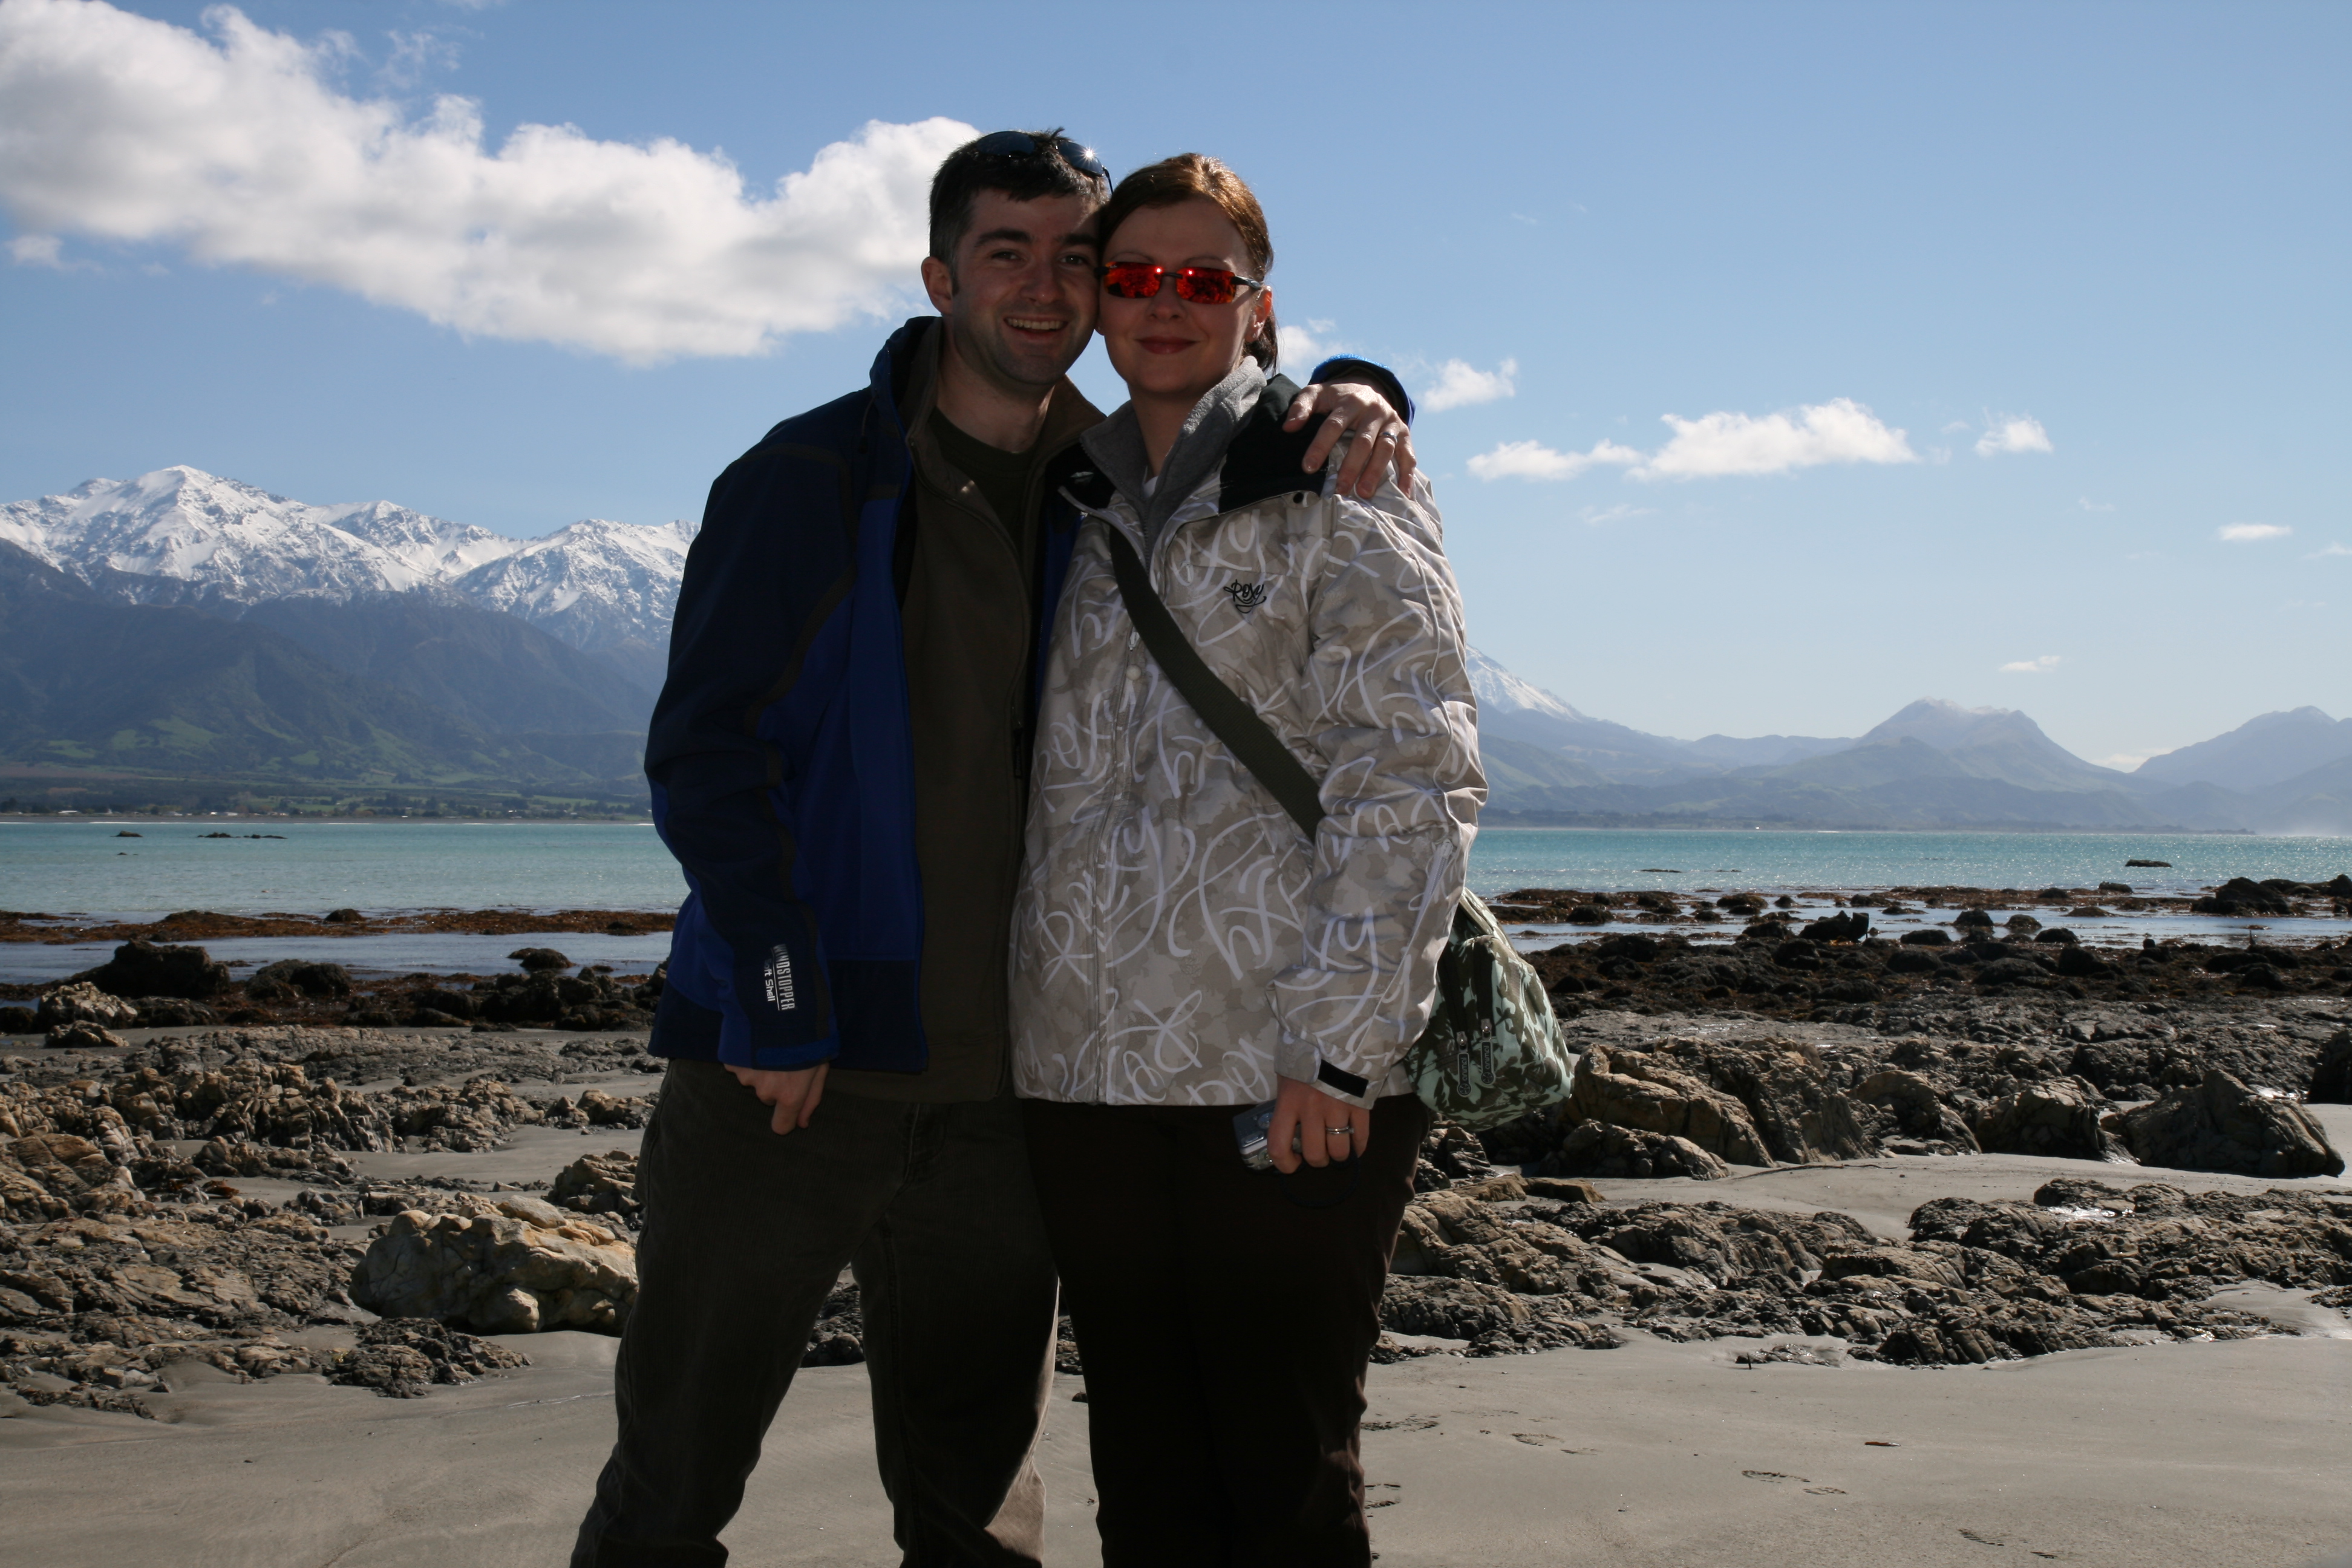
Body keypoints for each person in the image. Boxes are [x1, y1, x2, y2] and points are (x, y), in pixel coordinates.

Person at [571, 130, 1418, 1567]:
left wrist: (1361, 387)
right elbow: (705, 754)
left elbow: (1249, 419)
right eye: (1004, 251)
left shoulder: (1105, 484)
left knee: (975, 1522)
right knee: (673, 1484)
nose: (1045, 285)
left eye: (1075, 257)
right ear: (939, 276)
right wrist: (777, 989)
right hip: (790, 1068)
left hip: (1011, 1094)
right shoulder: (811, 476)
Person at [1010, 152, 1481, 1566]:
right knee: (1146, 1474)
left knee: (1284, 1476)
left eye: (1201, 279)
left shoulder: (1339, 478)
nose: (1164, 304)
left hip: (1279, 1068)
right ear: (1099, 300)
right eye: (1134, 275)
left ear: (1256, 306)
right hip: (1086, 1075)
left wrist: (1339, 1049)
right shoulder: (1066, 498)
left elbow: (1414, 773)